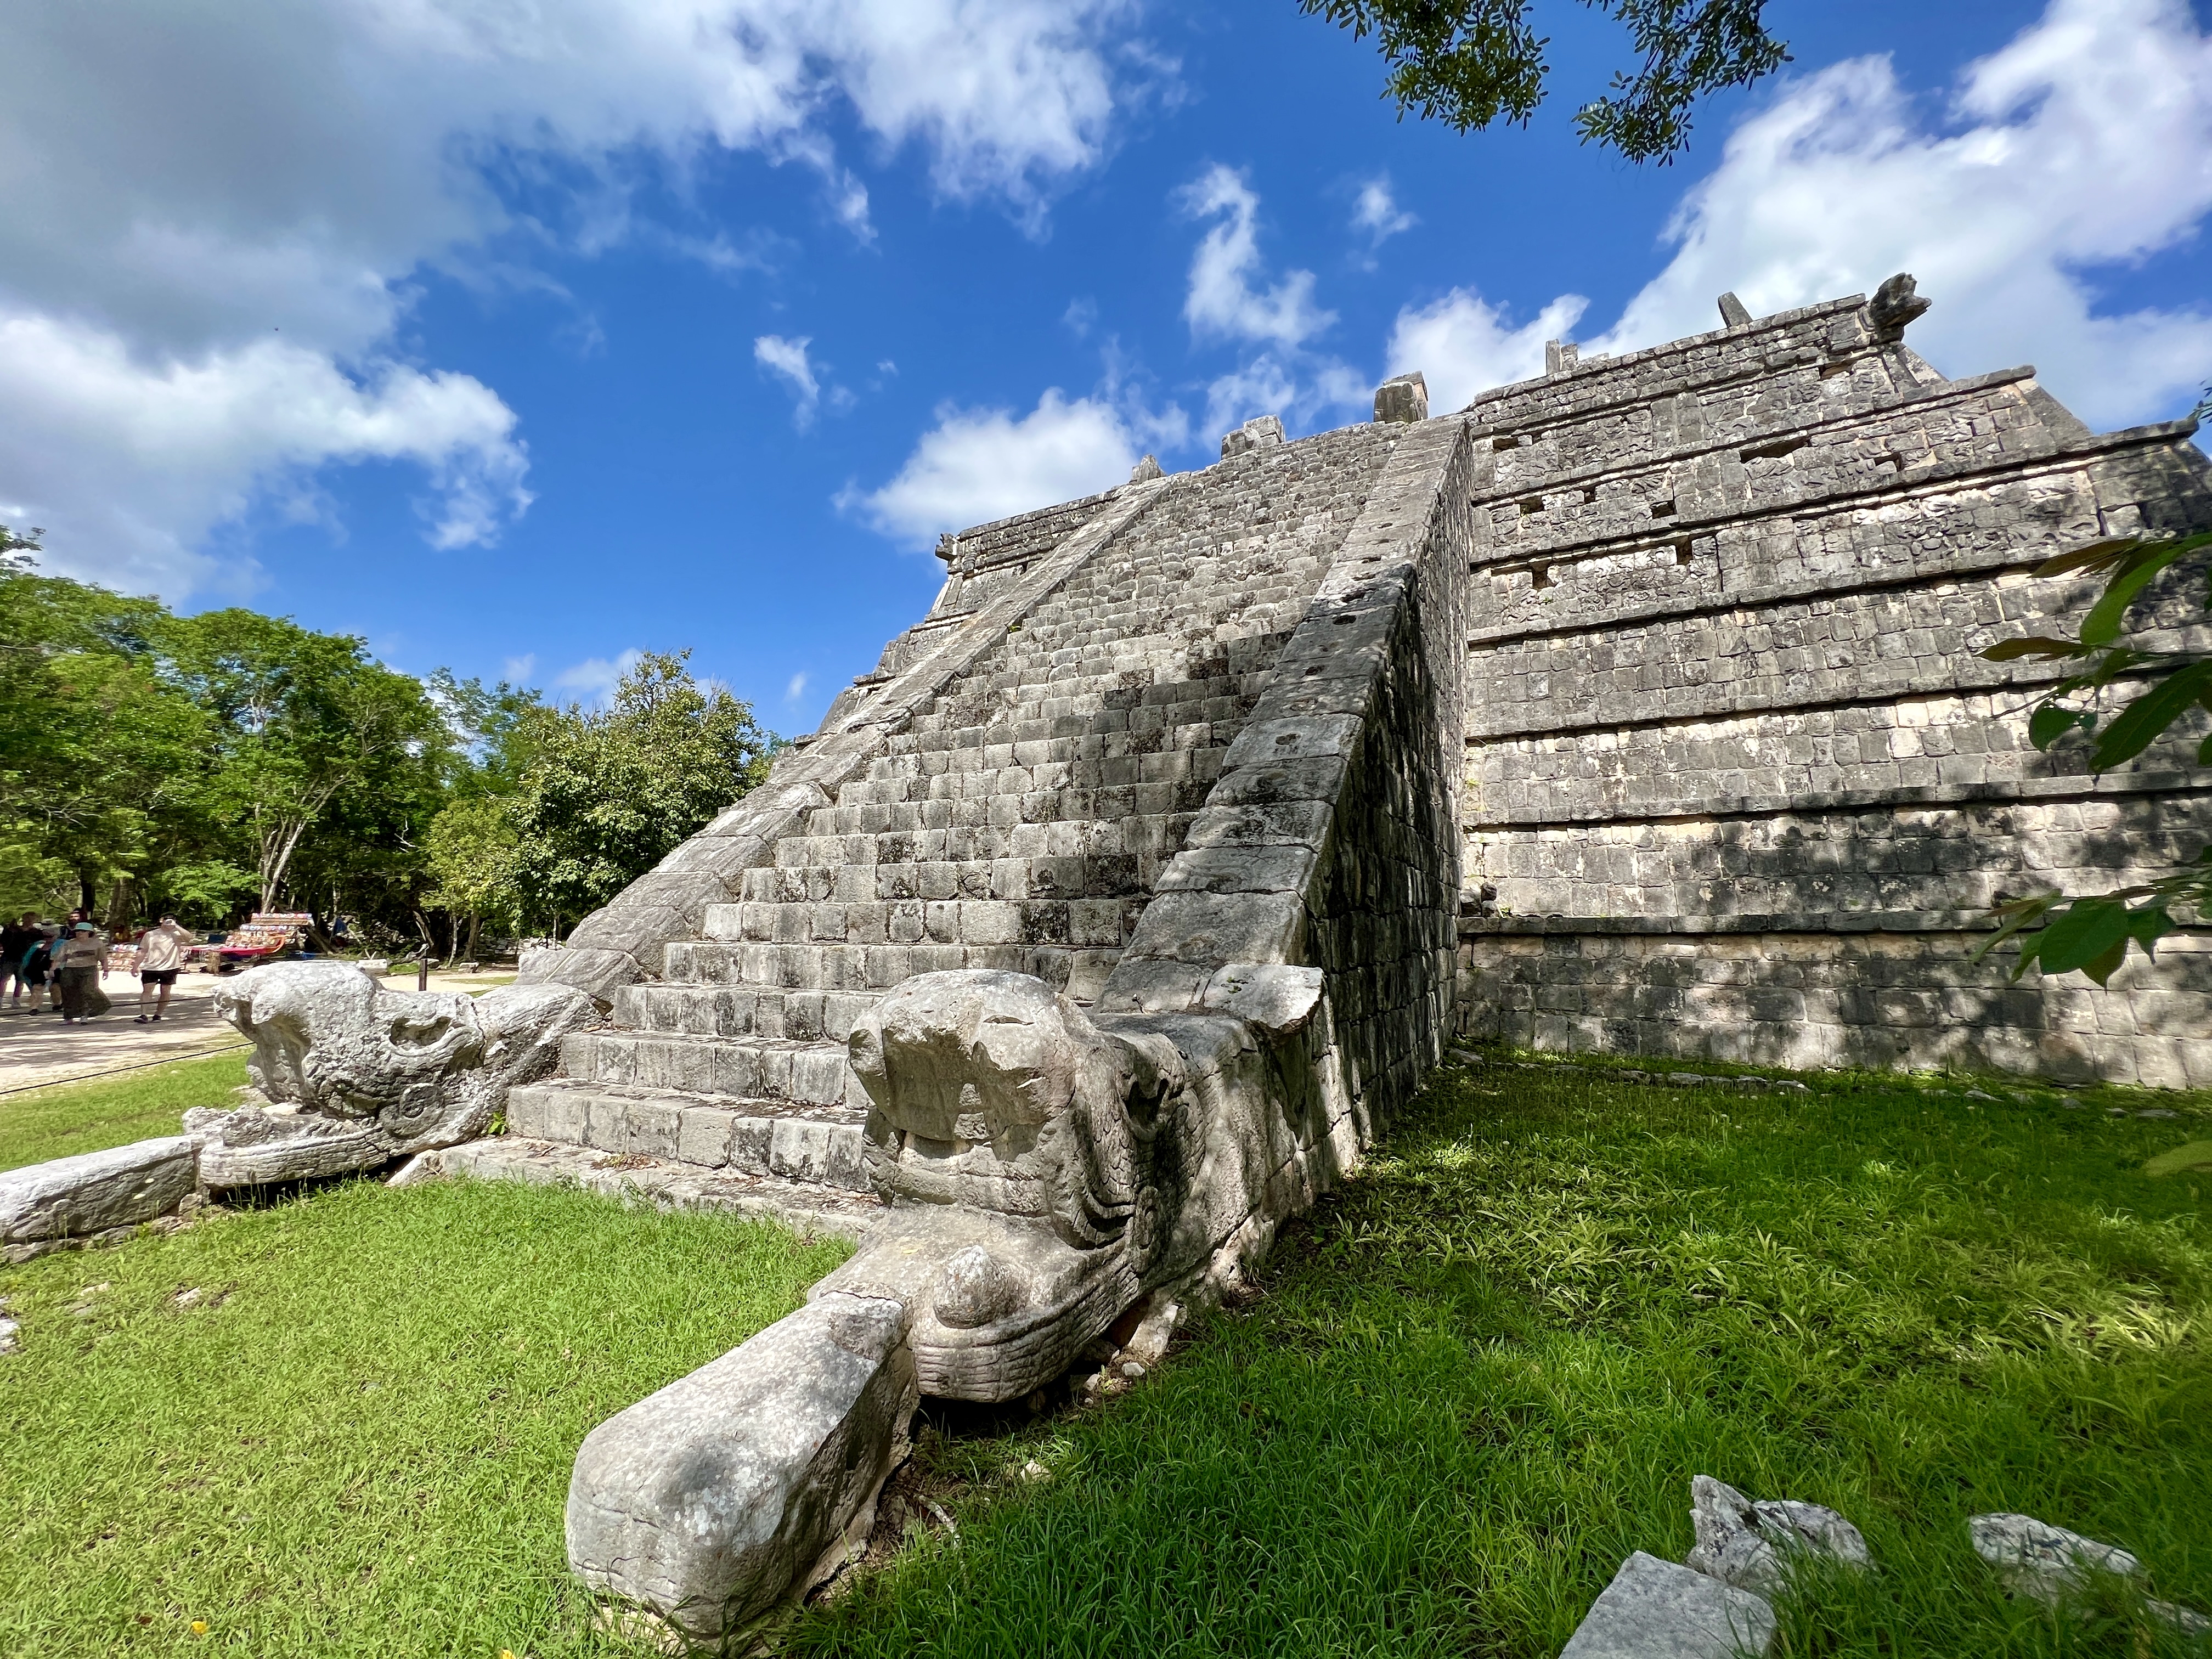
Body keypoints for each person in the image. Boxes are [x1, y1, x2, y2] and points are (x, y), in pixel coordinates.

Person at [136, 916, 190, 1023]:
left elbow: (189, 937)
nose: (168, 921)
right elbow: (142, 951)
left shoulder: (177, 934)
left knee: (165, 992)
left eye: (171, 919)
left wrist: (176, 926)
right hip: (151, 967)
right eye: (166, 919)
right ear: (161, 920)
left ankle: (158, 1014)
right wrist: (136, 966)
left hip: (170, 967)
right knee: (147, 991)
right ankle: (143, 1014)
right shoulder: (150, 934)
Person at [53, 920, 106, 1023]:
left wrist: (106, 969)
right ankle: (68, 1017)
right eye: (77, 931)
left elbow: (103, 958)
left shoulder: (97, 943)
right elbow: (60, 958)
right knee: (68, 991)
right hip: (70, 969)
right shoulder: (69, 944)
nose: (79, 933)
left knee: (87, 991)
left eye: (83, 931)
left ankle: (85, 1015)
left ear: (89, 933)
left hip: (89, 968)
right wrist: (53, 969)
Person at [0, 912, 36, 1012]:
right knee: (4, 979)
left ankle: (16, 1000)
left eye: (32, 919)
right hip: (9, 958)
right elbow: (4, 941)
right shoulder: (13, 930)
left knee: (21, 981)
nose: (29, 921)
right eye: (27, 918)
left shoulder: (35, 932)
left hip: (25, 958)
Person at [18, 924, 56, 1014]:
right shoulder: (37, 945)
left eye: (50, 936)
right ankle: (34, 1007)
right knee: (37, 988)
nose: (48, 938)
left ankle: (58, 1004)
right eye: (46, 936)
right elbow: (27, 958)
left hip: (55, 969)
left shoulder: (61, 945)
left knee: (56, 987)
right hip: (36, 970)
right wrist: (25, 968)